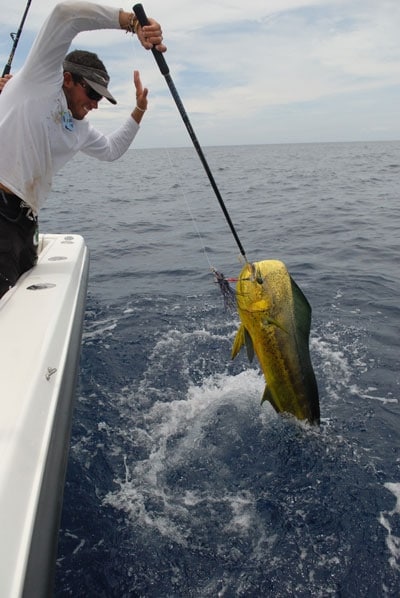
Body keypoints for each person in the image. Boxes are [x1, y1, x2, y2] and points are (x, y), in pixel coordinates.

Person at [0, 0, 166, 298]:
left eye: (100, 98)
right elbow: (65, 15)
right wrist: (132, 23)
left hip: (24, 222)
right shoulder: (40, 79)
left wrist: (139, 111)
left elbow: (112, 149)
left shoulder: (80, 129)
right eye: (91, 92)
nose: (94, 103)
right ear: (66, 79)